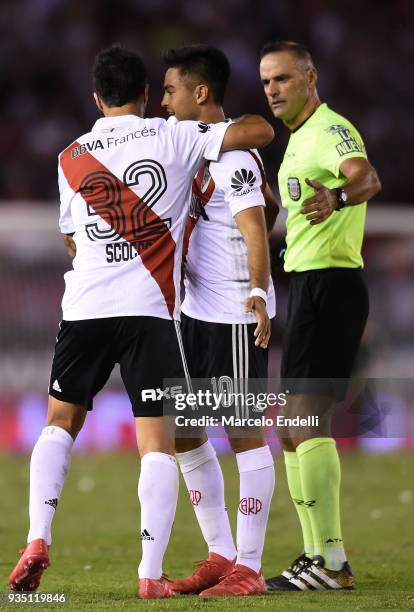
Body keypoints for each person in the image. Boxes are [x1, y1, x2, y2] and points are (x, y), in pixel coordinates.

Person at [8, 44, 274, 600]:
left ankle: (37, 538)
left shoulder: (69, 156)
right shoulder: (172, 135)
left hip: (86, 305)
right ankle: (151, 574)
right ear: (148, 94)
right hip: (153, 311)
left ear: (96, 96)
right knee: (159, 440)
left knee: (60, 421)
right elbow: (256, 132)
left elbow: (70, 236)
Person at [259, 41, 381, 591]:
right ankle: (315, 555)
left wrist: (337, 196)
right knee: (290, 427)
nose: (273, 90)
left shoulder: (332, 129)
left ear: (310, 78)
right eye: (266, 83)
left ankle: (333, 561)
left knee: (305, 421)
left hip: (332, 286)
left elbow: (366, 178)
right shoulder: (296, 141)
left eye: (283, 79)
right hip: (307, 285)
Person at [161, 44, 278, 598]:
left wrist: (257, 290)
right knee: (185, 435)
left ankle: (249, 569)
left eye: (170, 90)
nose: (164, 101)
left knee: (242, 432)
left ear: (199, 92)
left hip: (232, 309)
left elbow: (255, 222)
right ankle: (220, 553)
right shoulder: (192, 148)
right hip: (193, 310)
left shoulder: (230, 155)